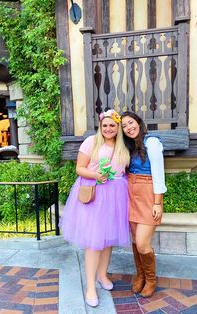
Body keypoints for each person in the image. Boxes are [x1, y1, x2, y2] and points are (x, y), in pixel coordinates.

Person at [60, 109, 130, 307]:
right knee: (94, 241)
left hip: (116, 195)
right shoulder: (91, 141)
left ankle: (102, 275)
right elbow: (79, 168)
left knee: (107, 239)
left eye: (112, 125)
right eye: (105, 125)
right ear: (100, 126)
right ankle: (90, 286)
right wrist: (96, 176)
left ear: (118, 128)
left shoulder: (122, 146)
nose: (108, 129)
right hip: (95, 193)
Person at [121, 111, 167, 298]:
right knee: (134, 240)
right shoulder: (129, 146)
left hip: (148, 193)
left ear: (139, 122)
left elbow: (158, 173)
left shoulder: (152, 142)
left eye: (131, 123)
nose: (128, 128)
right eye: (124, 126)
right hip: (131, 192)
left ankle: (151, 279)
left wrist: (158, 203)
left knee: (142, 243)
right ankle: (140, 275)